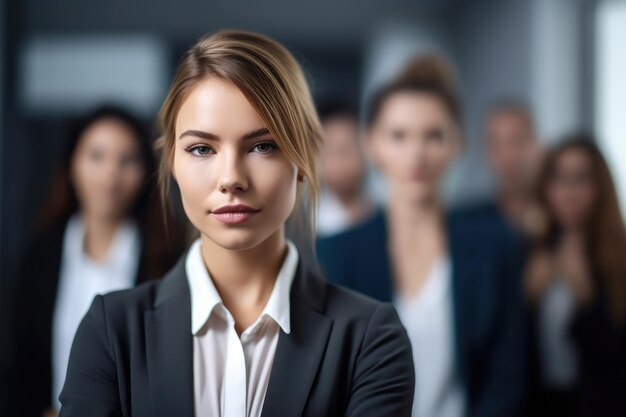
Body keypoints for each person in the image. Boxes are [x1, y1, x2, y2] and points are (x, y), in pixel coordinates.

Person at [58, 30, 414, 417]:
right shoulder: (110, 332)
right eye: (201, 149)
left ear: (304, 159)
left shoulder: (370, 339)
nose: (231, 178)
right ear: (172, 164)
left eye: (263, 146)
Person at [317, 55, 526, 417]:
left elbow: (509, 375)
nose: (417, 154)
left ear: (457, 143)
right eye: (399, 136)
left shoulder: (494, 245)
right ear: (372, 144)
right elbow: (332, 381)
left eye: (434, 135)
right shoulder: (337, 253)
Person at [7, 105, 185, 417]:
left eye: (127, 160)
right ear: (72, 164)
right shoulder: (40, 257)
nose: (110, 174)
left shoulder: (165, 260)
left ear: (145, 170)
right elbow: (19, 362)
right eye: (96, 156)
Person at [524, 135, 626, 417]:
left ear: (600, 187)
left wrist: (587, 296)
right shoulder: (530, 251)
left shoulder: (619, 257)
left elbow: (615, 358)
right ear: (546, 187)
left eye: (581, 178)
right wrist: (525, 300)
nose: (569, 191)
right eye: (558, 178)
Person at [483, 100, 543, 235]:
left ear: (538, 145)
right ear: (486, 153)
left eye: (517, 141)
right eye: (496, 145)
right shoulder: (462, 226)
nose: (508, 157)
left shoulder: (564, 223)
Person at [316, 100, 373, 236]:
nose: (345, 162)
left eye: (353, 148)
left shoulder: (380, 211)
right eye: (335, 152)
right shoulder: (306, 229)